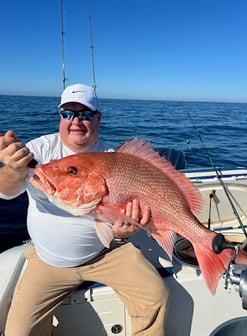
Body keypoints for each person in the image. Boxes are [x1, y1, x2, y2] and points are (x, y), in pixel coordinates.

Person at [0, 83, 169, 336]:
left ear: (98, 117)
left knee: (157, 295)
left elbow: (117, 223)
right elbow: (6, 191)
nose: (75, 121)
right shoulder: (40, 150)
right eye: (67, 113)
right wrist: (13, 169)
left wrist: (123, 232)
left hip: (106, 253)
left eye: (85, 114)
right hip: (48, 261)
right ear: (60, 117)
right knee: (18, 332)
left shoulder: (112, 159)